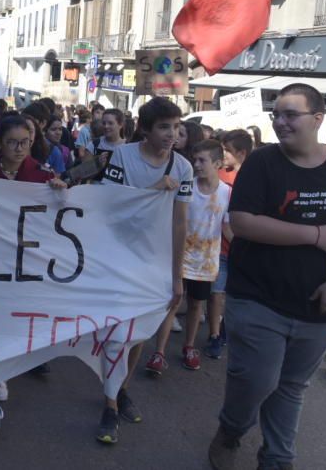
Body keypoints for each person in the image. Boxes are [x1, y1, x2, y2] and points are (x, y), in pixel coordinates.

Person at [208, 84, 326, 470]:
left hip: (317, 305)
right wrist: (314, 234)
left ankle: (278, 458)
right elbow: (243, 222)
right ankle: (232, 429)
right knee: (256, 380)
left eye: (290, 115)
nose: (281, 122)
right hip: (257, 298)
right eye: (277, 114)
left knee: (291, 387)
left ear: (318, 119)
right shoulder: (263, 162)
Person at [95, 97, 192, 445]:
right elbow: (111, 206)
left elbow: (180, 224)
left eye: (176, 127)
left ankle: (121, 389)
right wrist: (153, 191)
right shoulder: (122, 156)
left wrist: (177, 275)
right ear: (146, 129)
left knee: (139, 334)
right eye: (164, 127)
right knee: (118, 335)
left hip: (155, 264)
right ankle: (108, 406)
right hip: (120, 260)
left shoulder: (183, 168)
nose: (172, 134)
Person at [0, 114, 67, 431]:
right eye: (12, 142)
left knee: (8, 325)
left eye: (24, 143)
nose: (18, 148)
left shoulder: (42, 174)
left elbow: (60, 215)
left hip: (25, 266)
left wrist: (59, 193)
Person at [146, 140, 230, 376]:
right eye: (195, 159)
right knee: (172, 303)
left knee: (196, 305)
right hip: (179, 257)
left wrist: (246, 252)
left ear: (218, 163)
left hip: (206, 262)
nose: (196, 164)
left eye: (202, 160)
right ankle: (159, 352)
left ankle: (189, 346)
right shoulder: (186, 186)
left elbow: (228, 228)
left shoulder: (227, 193)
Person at [207, 129, 254, 358]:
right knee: (216, 294)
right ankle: (214, 335)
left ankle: (227, 330)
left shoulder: (255, 178)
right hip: (221, 248)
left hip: (245, 250)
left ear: (242, 153)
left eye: (227, 150)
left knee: (234, 297)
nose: (223, 154)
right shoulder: (220, 175)